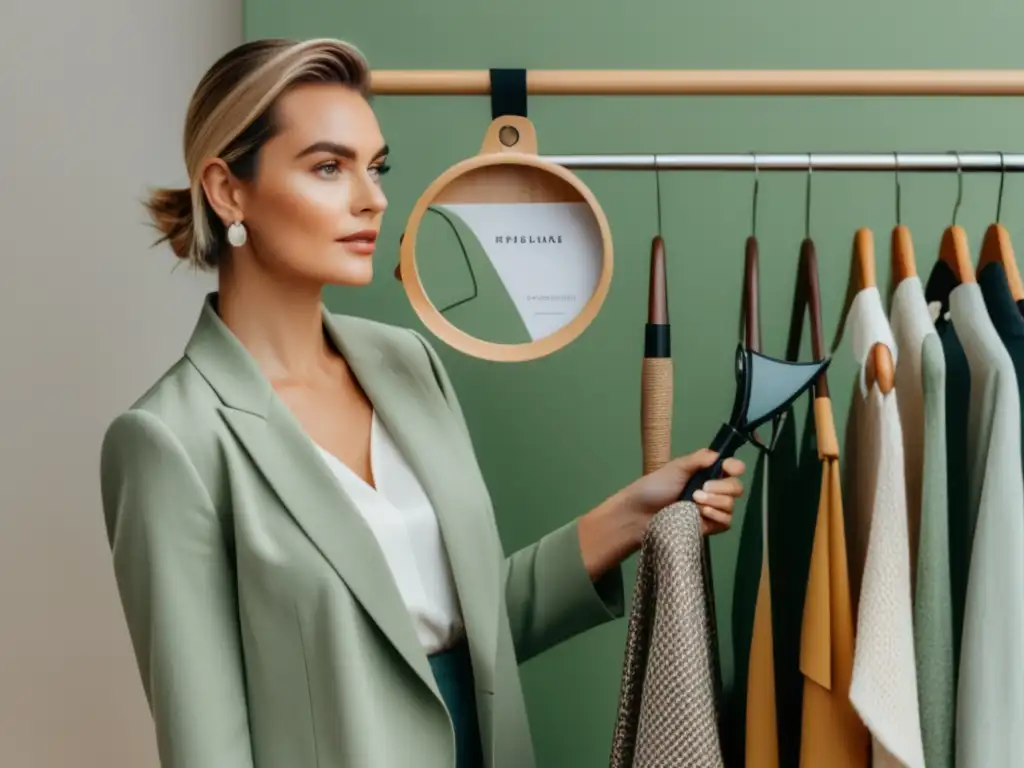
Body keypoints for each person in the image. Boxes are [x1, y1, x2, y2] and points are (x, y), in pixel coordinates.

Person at [98, 37, 746, 768]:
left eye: (375, 168)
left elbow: (466, 619)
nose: (371, 198)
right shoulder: (168, 441)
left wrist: (636, 512)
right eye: (327, 167)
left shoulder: (405, 363)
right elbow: (204, 743)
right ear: (227, 190)